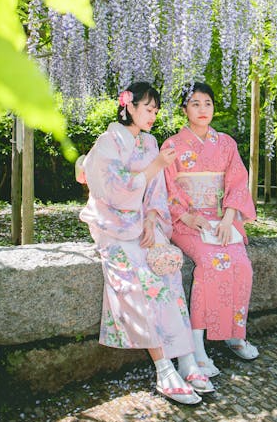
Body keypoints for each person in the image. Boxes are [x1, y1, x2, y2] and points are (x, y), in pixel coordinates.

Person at [78, 81, 214, 405]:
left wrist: (153, 218)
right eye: (147, 108)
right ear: (129, 107)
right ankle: (163, 368)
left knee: (167, 273)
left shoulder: (150, 142)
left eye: (155, 110)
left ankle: (187, 360)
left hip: (143, 226)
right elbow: (114, 190)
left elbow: (155, 193)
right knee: (141, 279)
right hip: (112, 228)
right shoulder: (107, 141)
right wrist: (155, 167)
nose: (152, 115)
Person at [162, 82, 258, 378]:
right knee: (210, 264)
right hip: (188, 221)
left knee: (242, 265)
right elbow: (166, 189)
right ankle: (196, 344)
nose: (203, 110)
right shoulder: (172, 146)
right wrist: (188, 217)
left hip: (222, 218)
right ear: (184, 110)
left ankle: (234, 333)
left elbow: (237, 183)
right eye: (195, 104)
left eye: (207, 103)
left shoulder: (226, 143)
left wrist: (230, 218)